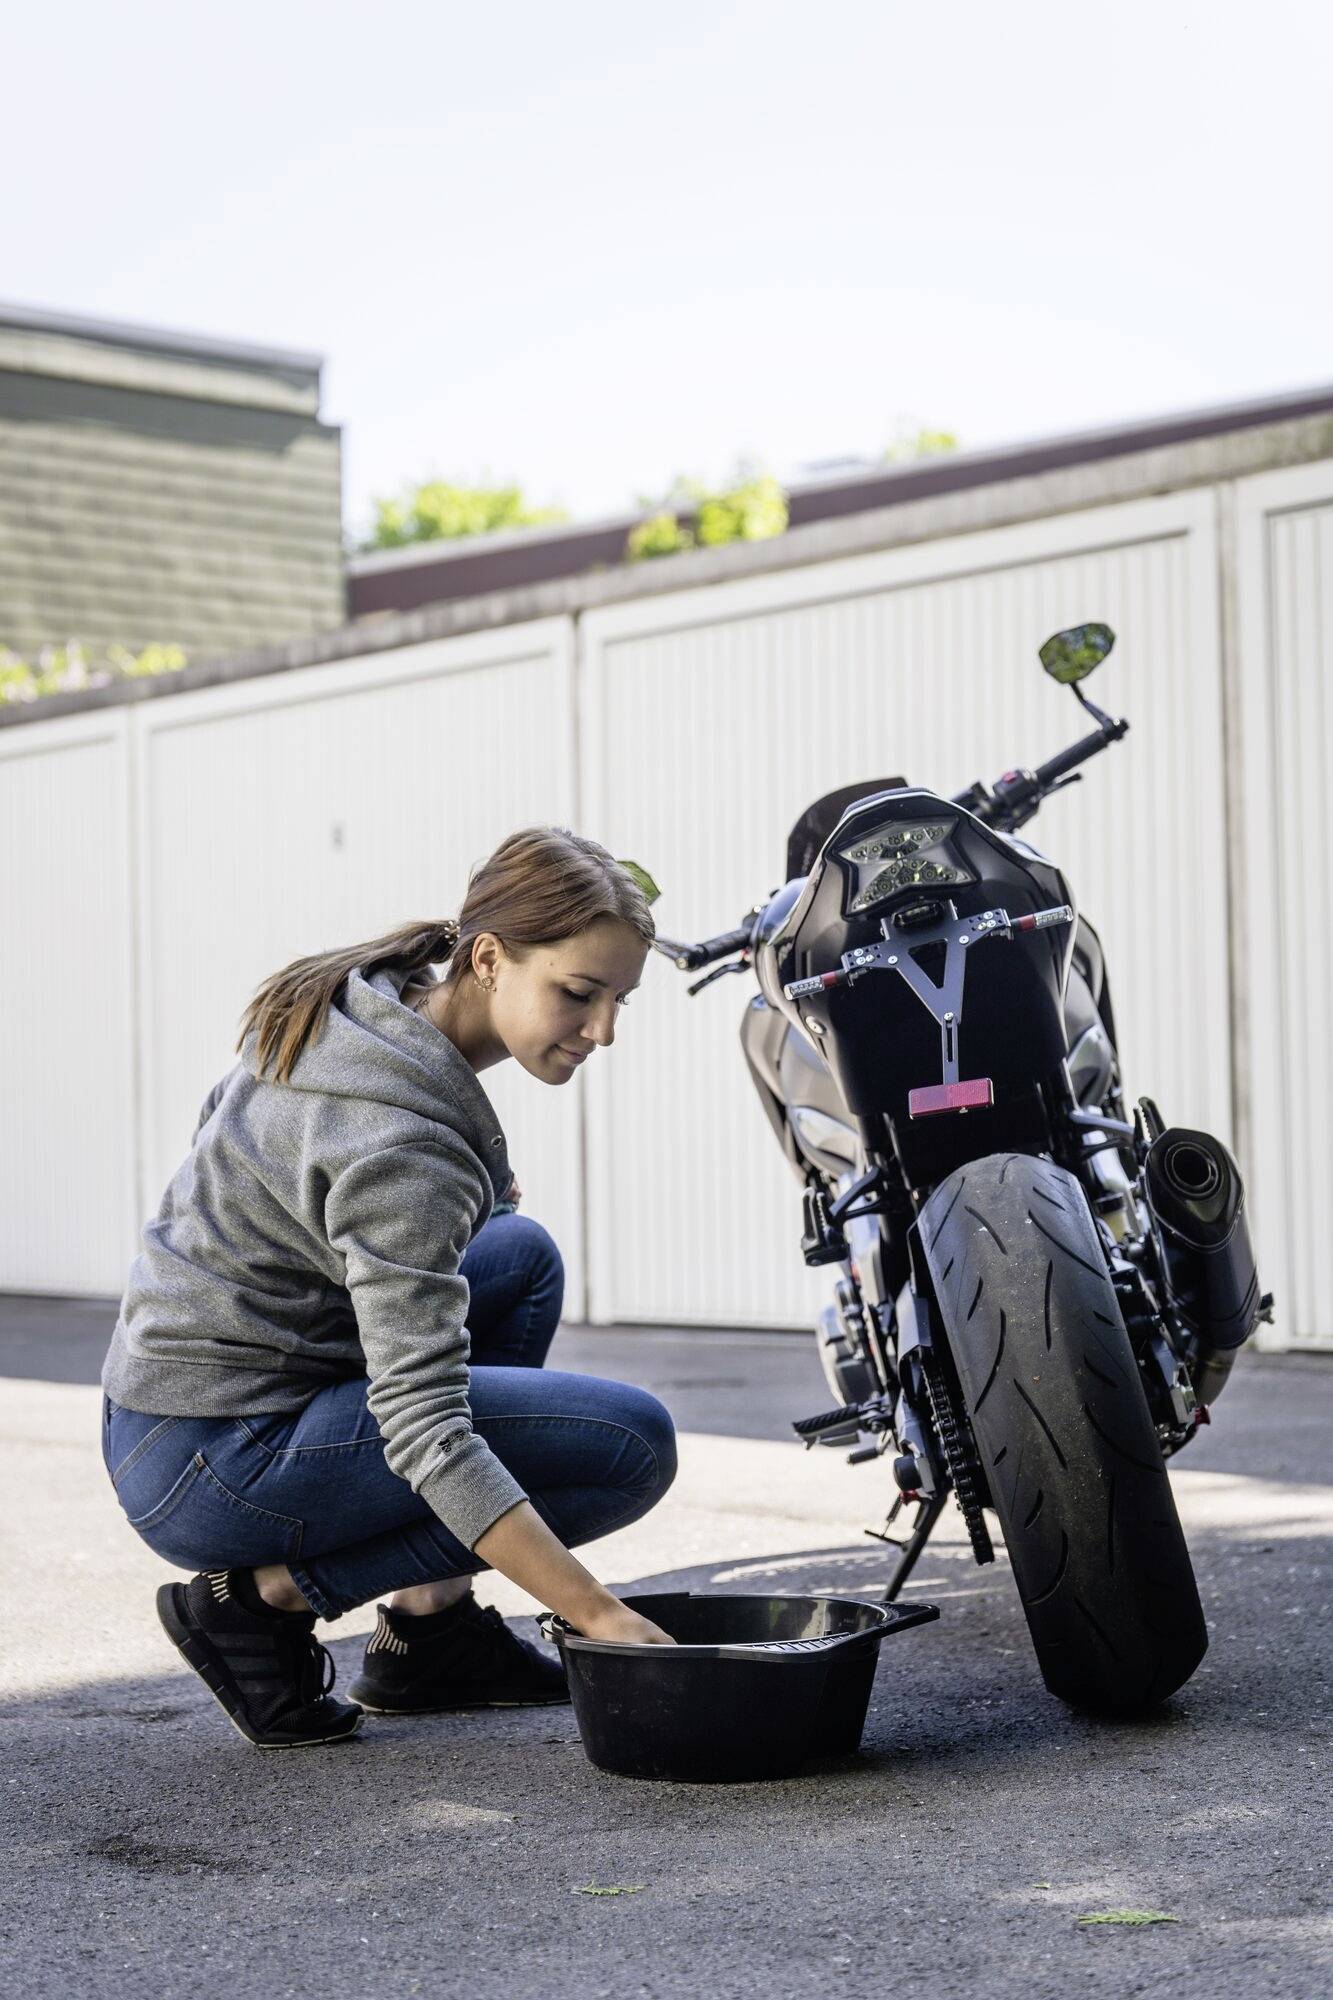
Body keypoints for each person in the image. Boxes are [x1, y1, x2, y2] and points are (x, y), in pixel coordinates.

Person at [100, 826, 679, 1750]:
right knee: (628, 1447)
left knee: (517, 1259)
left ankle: (430, 1630)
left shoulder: (355, 1005)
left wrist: (444, 1202)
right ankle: (254, 1604)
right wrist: (599, 1617)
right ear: (487, 958)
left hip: (159, 1416)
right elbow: (426, 1427)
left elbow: (229, 1127)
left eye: (619, 999)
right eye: (578, 993)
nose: (603, 1029)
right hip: (214, 1463)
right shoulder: (402, 1143)